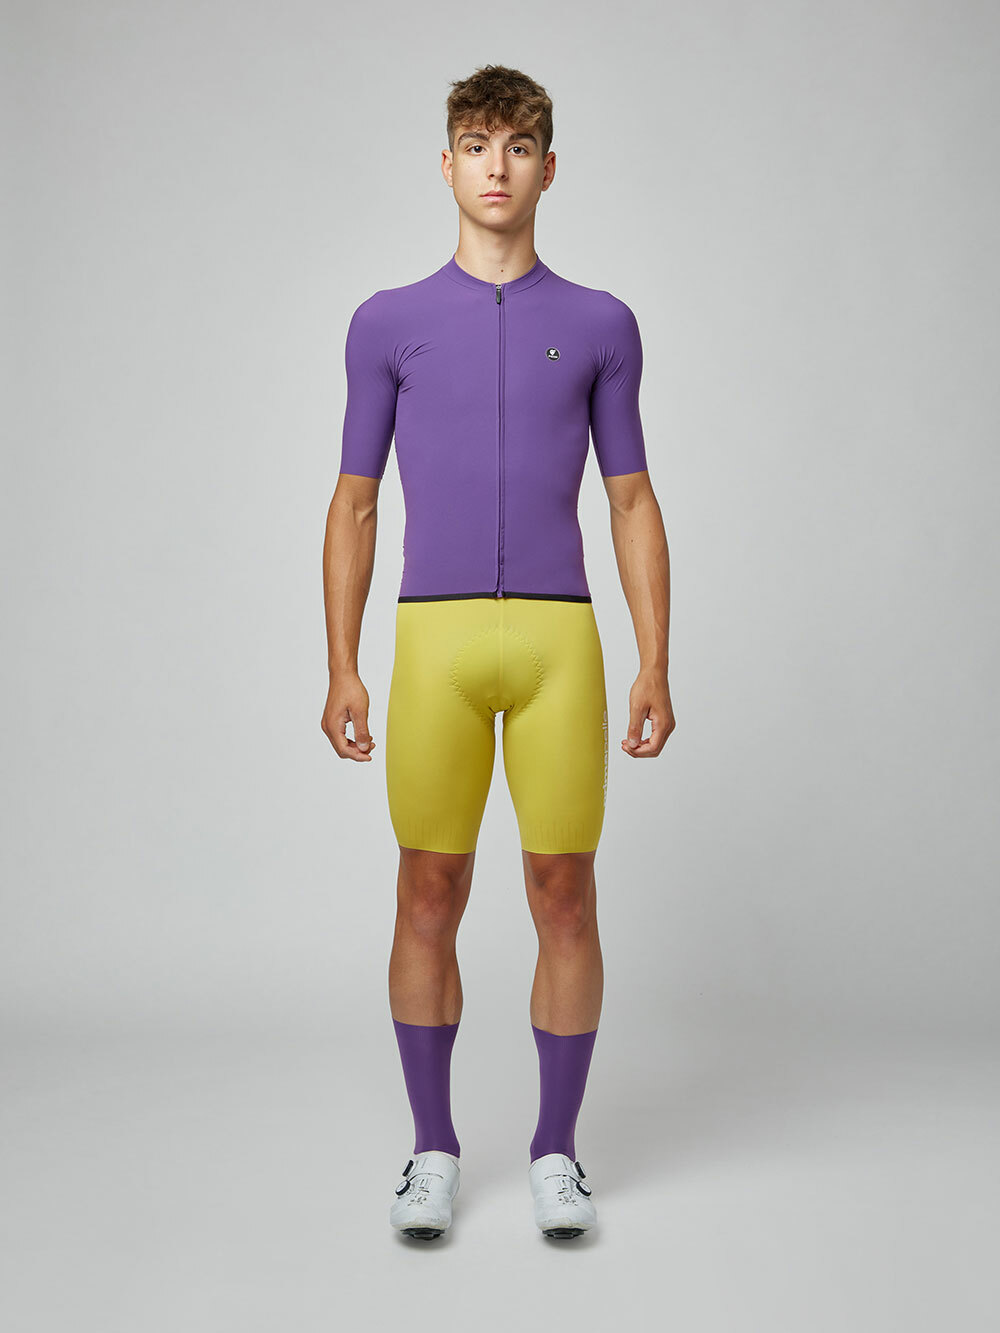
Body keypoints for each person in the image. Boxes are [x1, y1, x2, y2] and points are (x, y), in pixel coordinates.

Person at [321, 64, 675, 1241]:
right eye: (475, 144)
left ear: (547, 168)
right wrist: (342, 664)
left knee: (563, 893)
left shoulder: (601, 325)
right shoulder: (387, 323)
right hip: (433, 640)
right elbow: (354, 502)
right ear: (446, 165)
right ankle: (431, 1147)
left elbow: (630, 498)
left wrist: (653, 659)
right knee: (428, 889)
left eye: (517, 146)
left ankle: (556, 1152)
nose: (495, 166)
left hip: (559, 642)